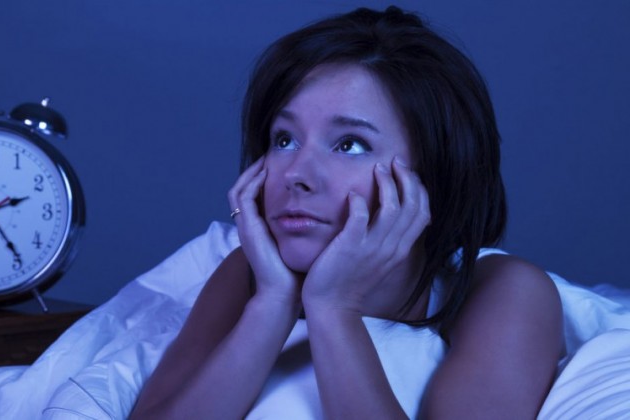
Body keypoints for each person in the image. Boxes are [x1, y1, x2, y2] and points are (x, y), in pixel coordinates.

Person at [131, 6, 563, 419]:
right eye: (284, 139)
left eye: (349, 145)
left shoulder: (507, 291)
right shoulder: (249, 273)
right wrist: (273, 303)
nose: (296, 174)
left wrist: (333, 308)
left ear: (431, 175)